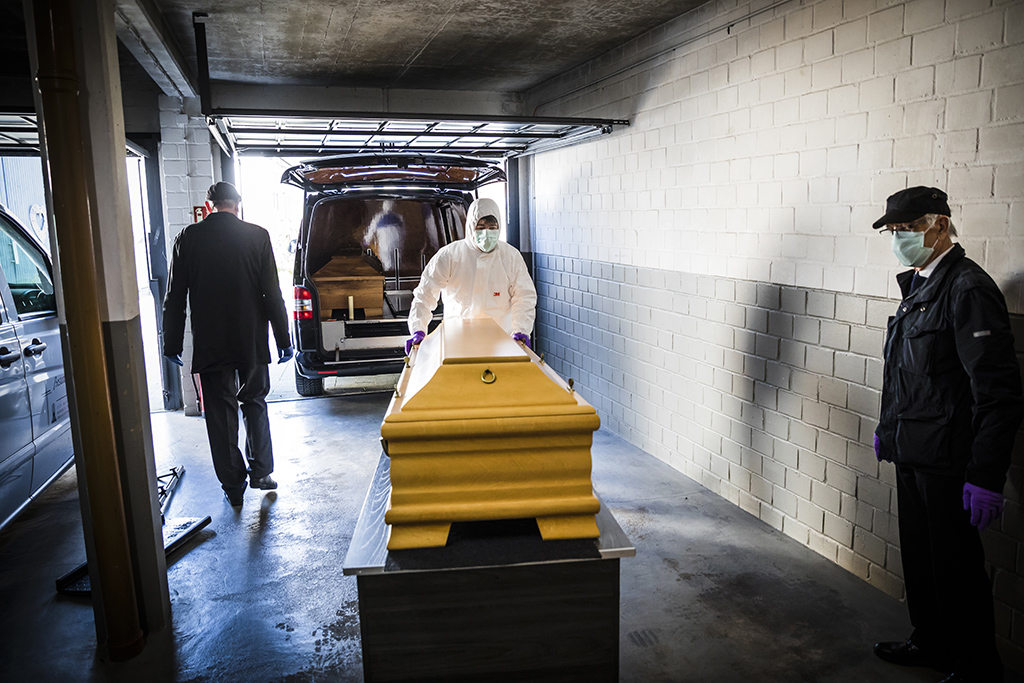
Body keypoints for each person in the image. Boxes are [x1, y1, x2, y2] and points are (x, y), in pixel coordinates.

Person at [871, 186, 1024, 683]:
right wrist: (888, 428)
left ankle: (977, 668)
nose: (899, 238)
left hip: (949, 460)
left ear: (939, 225)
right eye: (894, 231)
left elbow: (997, 393)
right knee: (921, 561)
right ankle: (932, 642)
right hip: (913, 450)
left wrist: (985, 475)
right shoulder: (920, 283)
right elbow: (904, 372)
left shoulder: (967, 288)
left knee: (956, 570)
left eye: (907, 229)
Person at [163, 181, 293, 508]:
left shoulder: (188, 238)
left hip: (211, 341)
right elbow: (271, 292)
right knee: (255, 401)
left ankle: (233, 487)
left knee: (220, 414)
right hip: (251, 339)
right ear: (237, 204)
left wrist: (172, 342)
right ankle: (261, 472)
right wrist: (283, 339)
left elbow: (175, 296)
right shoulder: (257, 236)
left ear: (209, 206)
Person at [405, 197, 537, 353]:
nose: (486, 233)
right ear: (470, 227)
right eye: (480, 227)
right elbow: (425, 293)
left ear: (499, 227)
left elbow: (524, 296)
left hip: (500, 342)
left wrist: (521, 329)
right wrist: (418, 329)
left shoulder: (510, 256)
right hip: (458, 341)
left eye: (492, 227)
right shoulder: (450, 255)